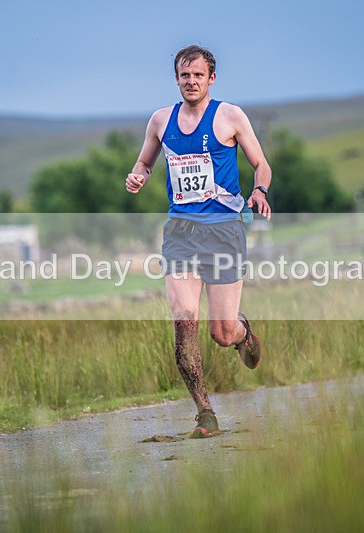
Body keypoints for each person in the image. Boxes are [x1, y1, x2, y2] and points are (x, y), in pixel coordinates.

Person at [125, 45, 272, 438]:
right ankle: (205, 413)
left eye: (198, 75)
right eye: (184, 75)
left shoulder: (229, 116)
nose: (191, 82)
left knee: (220, 332)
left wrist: (259, 191)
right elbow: (144, 161)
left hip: (223, 230)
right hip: (181, 232)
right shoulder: (161, 120)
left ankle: (241, 332)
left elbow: (261, 164)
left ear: (211, 79)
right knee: (183, 319)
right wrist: (138, 175)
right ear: (176, 78)